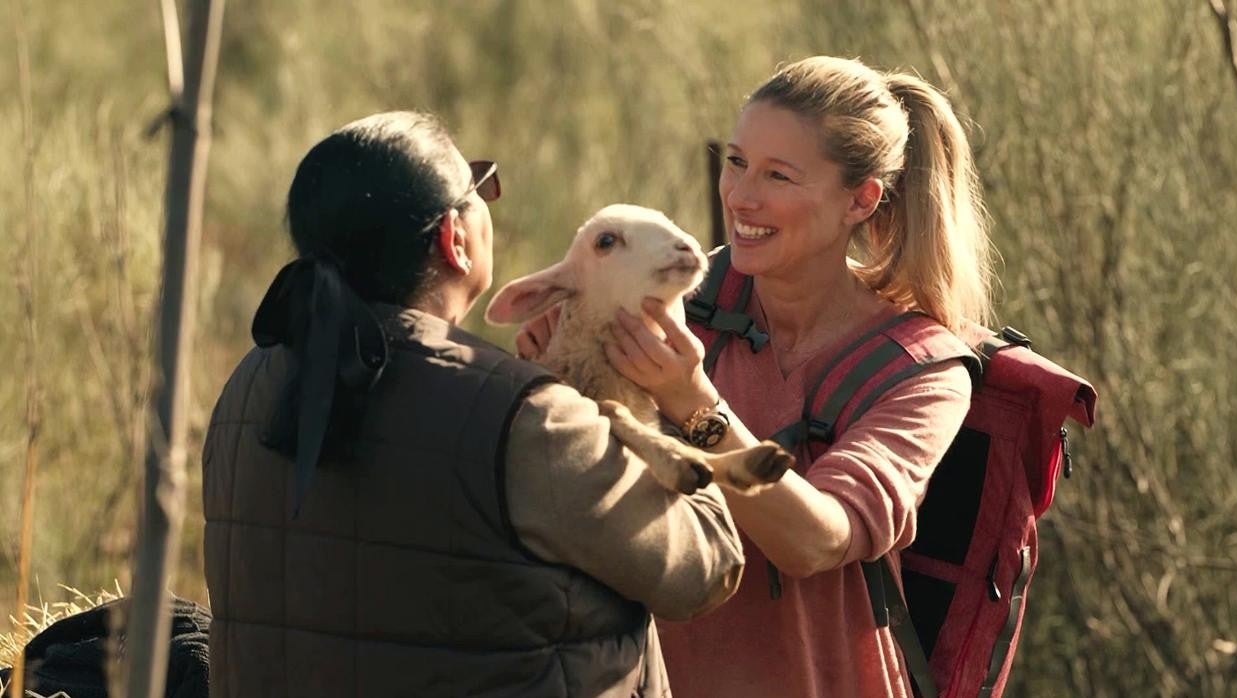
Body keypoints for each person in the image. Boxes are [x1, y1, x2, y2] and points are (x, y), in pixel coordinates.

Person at [201, 111, 745, 697]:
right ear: (453, 239)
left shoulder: (248, 384)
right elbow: (705, 568)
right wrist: (678, 404)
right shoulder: (527, 420)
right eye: (481, 188)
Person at [519, 56, 993, 697]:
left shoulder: (922, 370)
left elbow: (816, 540)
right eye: (737, 161)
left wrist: (692, 403)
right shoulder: (674, 292)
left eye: (778, 175)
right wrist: (554, 371)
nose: (741, 196)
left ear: (861, 199)